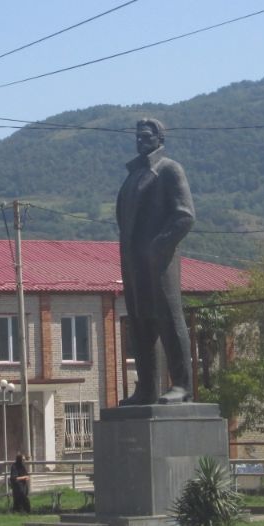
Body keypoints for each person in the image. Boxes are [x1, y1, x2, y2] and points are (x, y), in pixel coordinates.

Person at [116, 118, 196, 405]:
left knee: (169, 319)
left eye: (147, 136)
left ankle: (183, 385)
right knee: (140, 323)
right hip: (133, 262)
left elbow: (185, 215)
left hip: (160, 262)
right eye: (138, 136)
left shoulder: (169, 170)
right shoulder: (133, 174)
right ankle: (146, 388)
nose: (141, 141)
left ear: (159, 138)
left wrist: (157, 247)